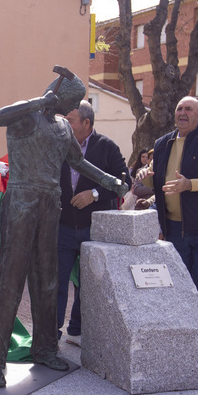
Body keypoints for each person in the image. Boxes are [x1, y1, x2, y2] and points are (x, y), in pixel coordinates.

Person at [0, 68, 128, 388]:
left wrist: (106, 179)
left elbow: (77, 161)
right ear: (57, 95)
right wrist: (36, 102)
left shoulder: (63, 127)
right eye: (71, 101)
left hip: (50, 204)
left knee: (47, 279)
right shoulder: (26, 116)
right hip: (21, 199)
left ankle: (45, 347)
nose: (73, 108)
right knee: (11, 278)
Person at [139, 96, 198, 342]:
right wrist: (145, 176)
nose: (182, 112)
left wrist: (189, 184)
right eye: (179, 108)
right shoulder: (162, 143)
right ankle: (182, 339)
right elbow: (155, 180)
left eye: (189, 109)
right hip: (173, 228)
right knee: (176, 288)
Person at [56, 100, 130, 346]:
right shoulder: (58, 146)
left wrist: (94, 195)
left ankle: (76, 331)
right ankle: (51, 333)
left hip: (93, 229)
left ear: (86, 123)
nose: (64, 125)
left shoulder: (106, 146)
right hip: (62, 229)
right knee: (55, 283)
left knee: (87, 285)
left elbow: (124, 183)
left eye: (69, 121)